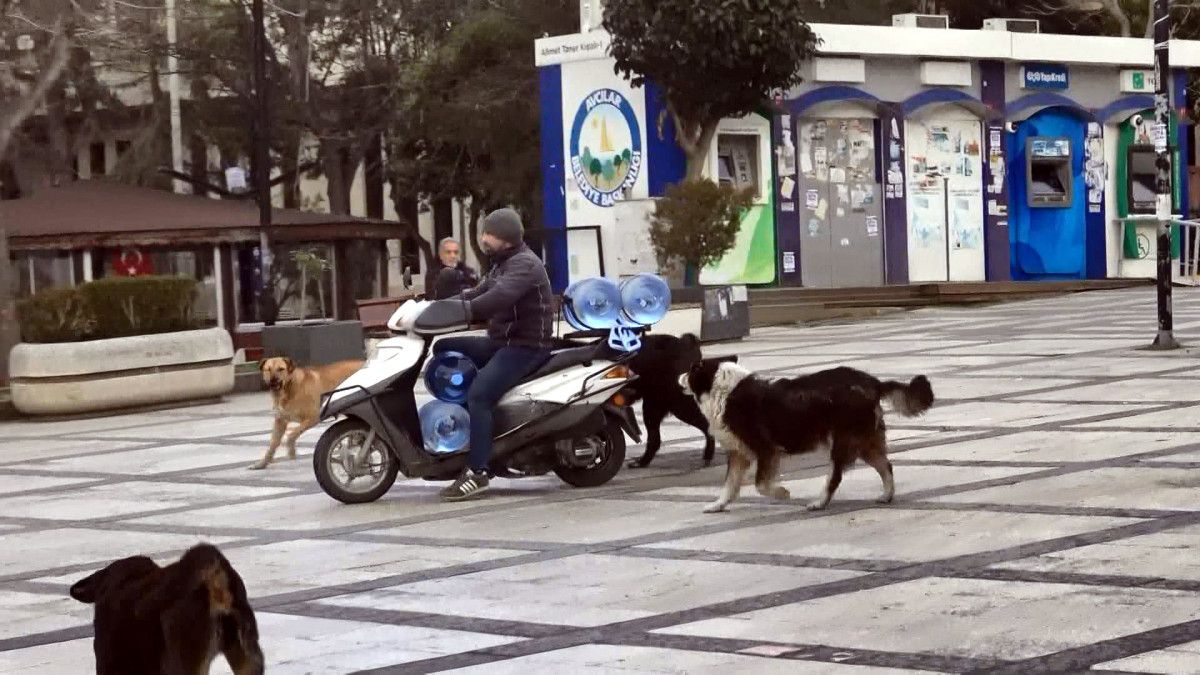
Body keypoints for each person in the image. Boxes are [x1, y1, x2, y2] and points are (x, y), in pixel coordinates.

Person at [433, 208, 553, 501]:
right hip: (502, 343)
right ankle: (474, 432)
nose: (484, 238)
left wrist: (466, 310)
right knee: (443, 348)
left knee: (479, 394)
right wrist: (433, 310)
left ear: (505, 238)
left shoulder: (524, 264)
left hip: (525, 347)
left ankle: (478, 471)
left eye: (489, 234)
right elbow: (476, 291)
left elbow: (497, 298)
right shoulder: (503, 263)